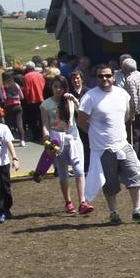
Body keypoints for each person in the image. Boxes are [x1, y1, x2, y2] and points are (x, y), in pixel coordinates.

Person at [78, 65, 140, 225]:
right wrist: (95, 134)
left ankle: (137, 210)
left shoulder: (122, 94)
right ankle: (114, 212)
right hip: (103, 149)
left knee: (134, 176)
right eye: (100, 76)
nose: (104, 79)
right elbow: (81, 121)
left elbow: (126, 115)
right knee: (110, 183)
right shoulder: (89, 97)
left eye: (108, 75)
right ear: (96, 78)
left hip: (122, 145)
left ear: (113, 77)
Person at [41, 75, 92, 215]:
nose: (58, 89)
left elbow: (82, 113)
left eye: (61, 87)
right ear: (51, 87)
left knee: (79, 170)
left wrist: (75, 100)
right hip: (57, 140)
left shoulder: (69, 101)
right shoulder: (46, 104)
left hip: (74, 139)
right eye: (55, 86)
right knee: (63, 173)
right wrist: (46, 140)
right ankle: (68, 202)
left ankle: (83, 202)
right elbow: (45, 125)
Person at [21, 62, 45, 142]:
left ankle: (36, 135)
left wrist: (27, 99)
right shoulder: (40, 75)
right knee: (42, 118)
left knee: (33, 120)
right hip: (42, 98)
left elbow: (27, 90)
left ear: (27, 68)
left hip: (32, 100)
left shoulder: (26, 77)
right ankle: (42, 134)